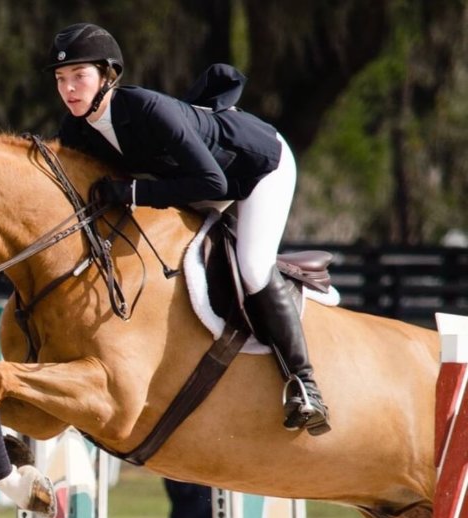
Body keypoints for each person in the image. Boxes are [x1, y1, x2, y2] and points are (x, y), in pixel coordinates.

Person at [45, 23, 329, 435]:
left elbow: (214, 184)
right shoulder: (77, 129)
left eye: (79, 76)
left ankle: (305, 385)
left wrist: (132, 192)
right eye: (61, 79)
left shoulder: (145, 108)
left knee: (251, 265)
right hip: (202, 179)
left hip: (257, 166)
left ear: (107, 77)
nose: (69, 89)